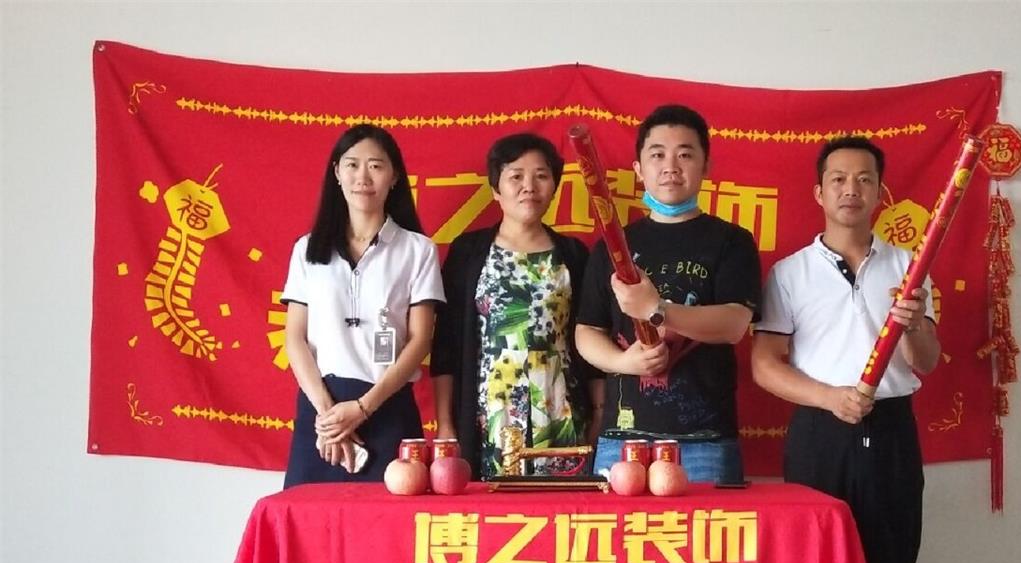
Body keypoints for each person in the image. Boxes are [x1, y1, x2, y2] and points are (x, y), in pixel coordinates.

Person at [751, 135, 937, 563]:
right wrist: (829, 397)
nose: (850, 190)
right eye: (838, 179)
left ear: (880, 192)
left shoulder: (910, 264)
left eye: (863, 179)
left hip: (890, 432)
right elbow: (765, 365)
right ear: (819, 192)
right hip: (819, 433)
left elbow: (927, 362)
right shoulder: (789, 273)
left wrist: (912, 325)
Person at [574, 104, 761, 483]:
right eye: (657, 155)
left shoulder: (731, 241)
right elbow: (587, 331)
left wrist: (657, 309)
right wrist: (624, 362)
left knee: (708, 527)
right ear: (639, 169)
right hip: (621, 441)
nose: (671, 167)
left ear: (706, 166)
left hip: (704, 442)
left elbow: (733, 324)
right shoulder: (612, 247)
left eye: (685, 155)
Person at [280, 124, 444, 487]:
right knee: (311, 514)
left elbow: (420, 340)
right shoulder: (307, 250)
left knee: (390, 517)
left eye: (376, 166)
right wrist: (329, 418)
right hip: (322, 408)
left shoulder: (418, 250)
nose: (363, 177)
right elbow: (294, 338)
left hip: (387, 405)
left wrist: (362, 408)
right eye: (352, 165)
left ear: (394, 176)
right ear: (337, 173)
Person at [431, 133, 601, 478]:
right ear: (496, 188)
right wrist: (446, 424)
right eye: (516, 176)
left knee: (561, 504)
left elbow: (593, 335)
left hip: (560, 409)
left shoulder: (573, 255)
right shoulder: (468, 253)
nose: (529, 187)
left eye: (541, 176)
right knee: (491, 506)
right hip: (490, 413)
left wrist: (599, 414)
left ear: (554, 186)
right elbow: (445, 345)